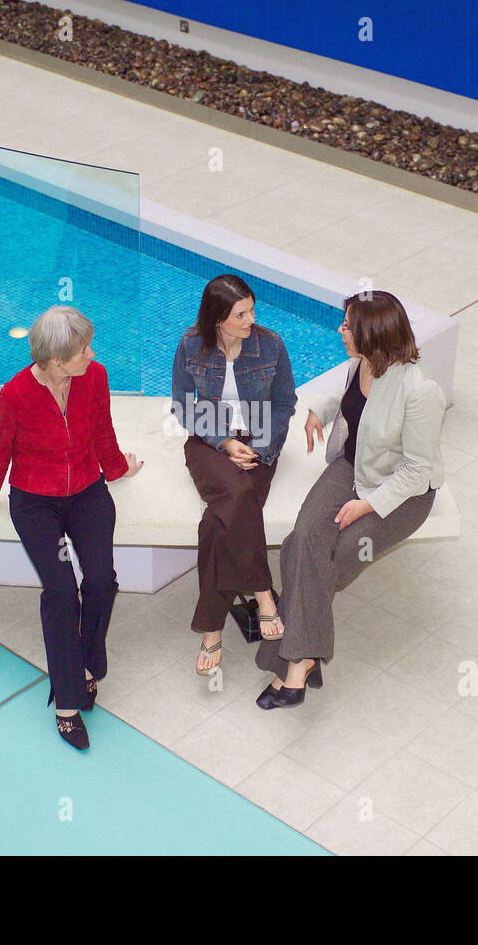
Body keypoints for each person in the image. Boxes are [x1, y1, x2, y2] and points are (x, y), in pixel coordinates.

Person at [0, 305, 143, 750]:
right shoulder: (14, 395)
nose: (92, 354)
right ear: (56, 359)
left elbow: (102, 431)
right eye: (83, 349)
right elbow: (0, 449)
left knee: (99, 580)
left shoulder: (95, 377)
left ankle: (90, 664)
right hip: (36, 502)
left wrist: (116, 469)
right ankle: (67, 702)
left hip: (87, 493)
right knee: (60, 590)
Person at [255, 291, 445, 708]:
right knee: (304, 538)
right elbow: (351, 401)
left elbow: (416, 470)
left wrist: (368, 505)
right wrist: (318, 411)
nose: (341, 331)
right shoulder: (363, 363)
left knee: (322, 555)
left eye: (347, 326)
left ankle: (294, 661)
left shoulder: (420, 390)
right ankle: (304, 659)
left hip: (400, 493)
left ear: (371, 333)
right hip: (351, 467)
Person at [171, 274, 297, 676]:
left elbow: (284, 404)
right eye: (240, 314)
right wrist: (224, 442)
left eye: (251, 310)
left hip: (261, 440)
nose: (250, 319)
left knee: (215, 526)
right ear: (217, 318)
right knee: (240, 499)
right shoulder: (191, 344)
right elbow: (181, 405)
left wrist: (259, 449)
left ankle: (210, 627)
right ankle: (263, 593)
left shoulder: (270, 344)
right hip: (210, 441)